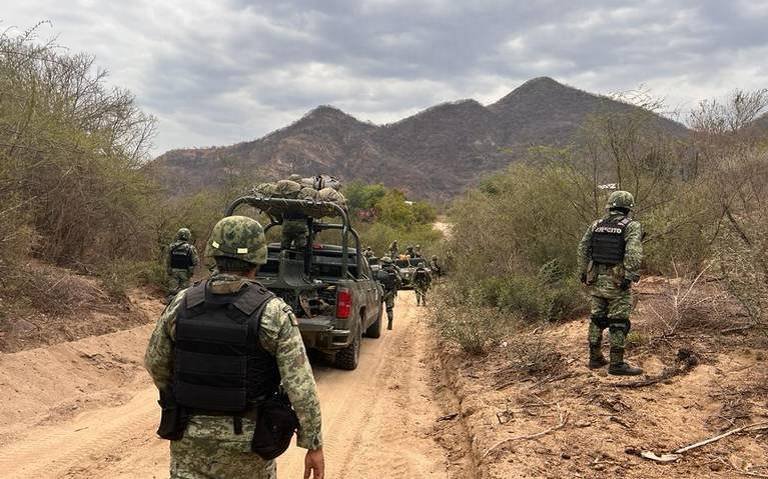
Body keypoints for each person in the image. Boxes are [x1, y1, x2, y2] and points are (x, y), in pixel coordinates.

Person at [145, 216, 325, 479]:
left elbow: (156, 363)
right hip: (248, 444)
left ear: (214, 254)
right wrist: (313, 444)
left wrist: (188, 393)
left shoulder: (182, 302)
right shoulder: (273, 312)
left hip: (189, 437)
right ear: (258, 258)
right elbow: (301, 385)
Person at [578, 190, 644, 376]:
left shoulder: (596, 225)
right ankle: (617, 364)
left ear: (610, 206)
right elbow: (633, 252)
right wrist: (629, 276)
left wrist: (583, 272)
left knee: (597, 318)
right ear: (628, 208)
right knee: (619, 322)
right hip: (617, 281)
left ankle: (595, 358)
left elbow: (582, 248)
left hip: (596, 279)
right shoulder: (631, 226)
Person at [166, 228, 199, 302]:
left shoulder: (171, 246)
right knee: (184, 293)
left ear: (178, 235)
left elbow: (168, 260)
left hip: (173, 271)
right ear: (188, 236)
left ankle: (170, 305)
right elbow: (195, 261)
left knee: (172, 291)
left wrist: (169, 270)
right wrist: (191, 271)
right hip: (185, 273)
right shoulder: (191, 248)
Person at [376, 256, 402, 330]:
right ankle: (390, 323)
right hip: (390, 292)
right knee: (389, 309)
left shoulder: (379, 271)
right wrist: (396, 288)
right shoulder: (394, 272)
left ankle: (376, 327)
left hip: (381, 292)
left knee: (378, 309)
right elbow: (399, 280)